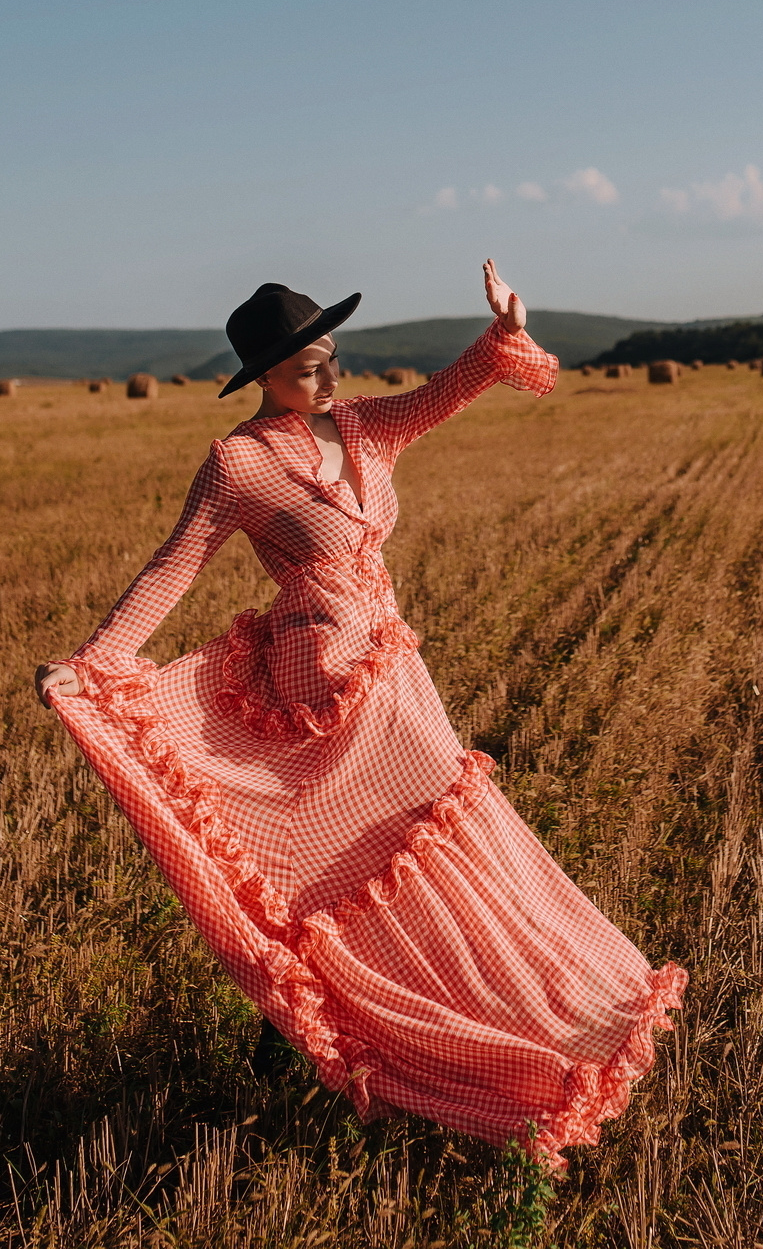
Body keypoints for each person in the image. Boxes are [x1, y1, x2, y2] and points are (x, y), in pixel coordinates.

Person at [37, 260, 685, 1173]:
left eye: (333, 359)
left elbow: (443, 393)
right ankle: (317, 1030)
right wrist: (93, 661)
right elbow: (174, 566)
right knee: (350, 869)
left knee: (428, 839)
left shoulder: (365, 425)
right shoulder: (237, 463)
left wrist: (503, 334)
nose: (328, 379)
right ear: (265, 376)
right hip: (316, 688)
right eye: (308, 370)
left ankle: (441, 1026)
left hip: (391, 671)